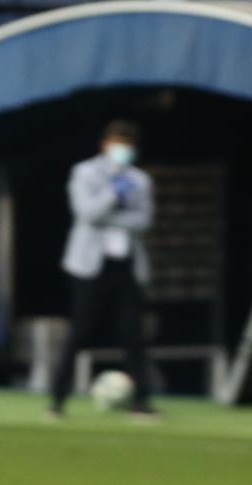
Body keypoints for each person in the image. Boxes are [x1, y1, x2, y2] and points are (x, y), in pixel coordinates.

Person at [48, 121, 158, 419]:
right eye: (117, 143)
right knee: (80, 331)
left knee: (133, 334)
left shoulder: (140, 180)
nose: (122, 150)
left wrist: (111, 216)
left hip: (126, 266)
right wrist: (112, 196)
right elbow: (86, 213)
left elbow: (144, 221)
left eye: (128, 145)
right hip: (90, 266)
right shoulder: (85, 172)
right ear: (104, 144)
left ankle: (143, 401)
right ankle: (57, 399)